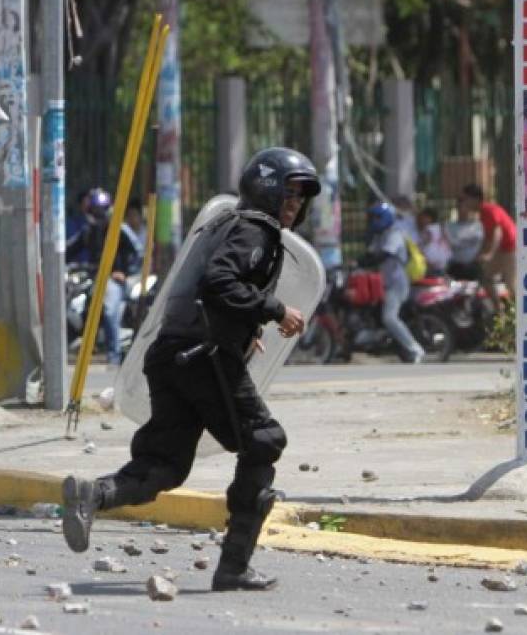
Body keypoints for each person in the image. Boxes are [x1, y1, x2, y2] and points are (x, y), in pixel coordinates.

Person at [61, 147, 320, 591]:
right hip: (206, 357)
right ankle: (234, 566)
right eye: (289, 194)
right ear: (267, 190)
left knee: (165, 463)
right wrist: (274, 310)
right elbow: (220, 282)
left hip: (170, 355)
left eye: (301, 198)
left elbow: (200, 293)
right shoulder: (255, 231)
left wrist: (245, 325)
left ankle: (94, 494)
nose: (295, 204)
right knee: (263, 441)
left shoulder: (224, 224)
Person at [365, 202, 425, 364]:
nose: (372, 221)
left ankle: (415, 348)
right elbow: (369, 255)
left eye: (376, 217)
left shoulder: (395, 234)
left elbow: (384, 255)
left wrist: (366, 261)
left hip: (397, 284)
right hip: (384, 284)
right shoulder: (379, 236)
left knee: (389, 318)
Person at [102, 199, 146, 366]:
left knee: (110, 311)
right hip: (93, 278)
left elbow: (139, 252)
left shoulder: (121, 229)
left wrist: (123, 272)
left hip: (113, 279)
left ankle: (114, 354)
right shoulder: (90, 229)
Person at [458, 183, 516, 308]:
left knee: (511, 285)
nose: (463, 203)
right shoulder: (482, 213)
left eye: (465, 199)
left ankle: (520, 314)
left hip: (511, 249)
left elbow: (497, 232)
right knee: (485, 278)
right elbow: (487, 238)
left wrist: (489, 254)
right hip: (503, 250)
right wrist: (479, 254)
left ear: (475, 199)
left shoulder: (488, 210)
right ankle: (499, 310)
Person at [416, 207, 451, 275]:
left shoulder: (429, 229)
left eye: (424, 217)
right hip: (440, 264)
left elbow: (422, 247)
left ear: (430, 218)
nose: (421, 220)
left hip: (432, 266)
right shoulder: (440, 228)